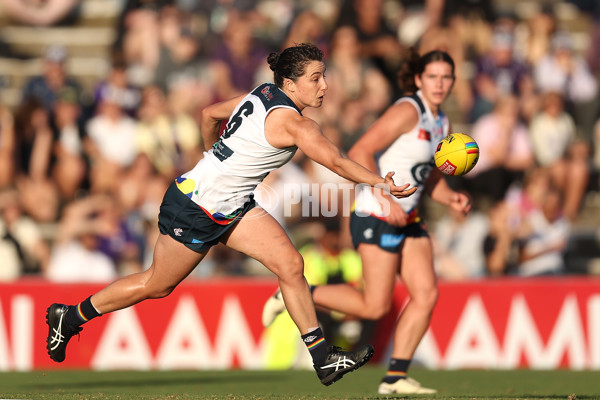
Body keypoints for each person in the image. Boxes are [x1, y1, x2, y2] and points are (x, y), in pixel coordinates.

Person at [45, 43, 417, 386]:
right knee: (157, 285)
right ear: (290, 83)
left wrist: (212, 157)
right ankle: (71, 316)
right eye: (315, 78)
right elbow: (335, 160)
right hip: (196, 207)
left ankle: (322, 357)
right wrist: (380, 183)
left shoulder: (260, 93)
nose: (324, 85)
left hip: (230, 204)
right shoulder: (297, 124)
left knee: (290, 264)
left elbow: (209, 114)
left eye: (323, 76)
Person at [263, 48, 471, 394]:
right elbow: (360, 150)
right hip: (376, 213)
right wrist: (384, 199)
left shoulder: (441, 123)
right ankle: (297, 295)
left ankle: (395, 378)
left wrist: (450, 197)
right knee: (374, 305)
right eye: (433, 76)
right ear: (419, 80)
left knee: (426, 293)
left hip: (408, 216)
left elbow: (426, 174)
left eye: (446, 77)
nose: (440, 83)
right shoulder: (408, 110)